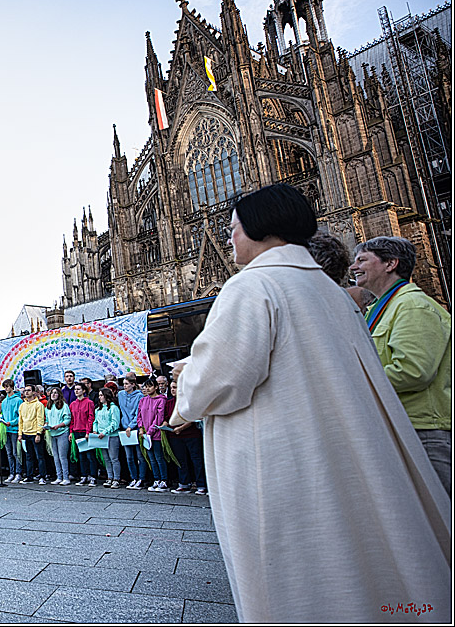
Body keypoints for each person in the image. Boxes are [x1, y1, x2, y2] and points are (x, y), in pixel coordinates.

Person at [171, 183, 451, 622]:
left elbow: (220, 382)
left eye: (233, 228)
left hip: (280, 459)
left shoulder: (253, 285)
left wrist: (186, 380)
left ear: (260, 228)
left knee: (297, 573)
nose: (229, 238)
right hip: (336, 450)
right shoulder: (331, 291)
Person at [351, 235, 452, 497]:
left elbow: (413, 372)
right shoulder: (384, 307)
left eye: (362, 260)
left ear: (390, 263)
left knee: (441, 509)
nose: (353, 267)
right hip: (401, 426)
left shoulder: (412, 306)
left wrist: (352, 381)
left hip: (423, 430)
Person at [165, 380, 205, 495]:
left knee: (196, 460)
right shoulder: (169, 402)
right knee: (180, 460)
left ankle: (201, 485)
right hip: (174, 435)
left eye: (175, 387)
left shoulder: (188, 401)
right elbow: (167, 417)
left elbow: (192, 418)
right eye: (171, 388)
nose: (173, 390)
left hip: (191, 434)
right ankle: (184, 483)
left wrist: (181, 428)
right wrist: (163, 425)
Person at [137, 378, 168, 492]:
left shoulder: (161, 400)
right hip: (145, 434)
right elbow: (139, 415)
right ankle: (156, 479)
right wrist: (141, 428)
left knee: (159, 457)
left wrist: (150, 431)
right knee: (151, 458)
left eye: (150, 386)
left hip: (156, 434)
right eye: (146, 386)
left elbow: (159, 417)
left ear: (156, 387)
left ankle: (164, 480)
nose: (147, 388)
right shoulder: (143, 400)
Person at [118, 374, 147, 490]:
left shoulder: (139, 396)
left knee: (140, 456)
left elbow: (138, 413)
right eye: (123, 384)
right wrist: (125, 426)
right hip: (125, 428)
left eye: (127, 384)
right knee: (129, 456)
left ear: (133, 385)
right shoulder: (121, 394)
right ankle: (133, 477)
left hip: (135, 428)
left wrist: (131, 426)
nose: (124, 386)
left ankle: (141, 478)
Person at [69, 382, 97, 486]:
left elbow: (91, 417)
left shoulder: (89, 402)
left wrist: (88, 431)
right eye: (75, 389)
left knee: (90, 455)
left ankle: (93, 476)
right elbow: (72, 419)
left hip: (85, 431)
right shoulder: (73, 404)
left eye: (78, 389)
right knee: (81, 456)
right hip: (77, 431)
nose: (76, 391)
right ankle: (84, 475)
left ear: (83, 391)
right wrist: (71, 432)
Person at [18, 387, 46, 484]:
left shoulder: (38, 404)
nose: (26, 392)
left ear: (34, 392)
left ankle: (42, 476)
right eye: (25, 390)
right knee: (28, 456)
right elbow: (20, 421)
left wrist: (39, 433)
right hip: (25, 433)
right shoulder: (22, 405)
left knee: (40, 456)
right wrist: (20, 434)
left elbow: (40, 419)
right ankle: (29, 476)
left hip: (35, 433)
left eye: (29, 390)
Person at [44, 387, 71, 485]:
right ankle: (59, 476)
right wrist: (46, 425)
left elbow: (67, 419)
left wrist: (59, 425)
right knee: (55, 456)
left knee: (62, 456)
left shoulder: (64, 405)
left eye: (55, 393)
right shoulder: (48, 406)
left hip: (62, 432)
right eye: (52, 393)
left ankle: (66, 477)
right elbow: (47, 419)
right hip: (52, 433)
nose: (53, 395)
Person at [95, 387, 121, 488]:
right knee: (106, 459)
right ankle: (110, 477)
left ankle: (116, 478)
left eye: (101, 395)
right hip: (101, 437)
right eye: (99, 395)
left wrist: (105, 432)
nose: (100, 397)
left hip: (112, 436)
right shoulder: (98, 409)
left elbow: (115, 423)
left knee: (114, 458)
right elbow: (95, 422)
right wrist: (95, 430)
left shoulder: (114, 408)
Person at [0, 379, 23, 483]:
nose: (6, 388)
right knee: (9, 453)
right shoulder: (4, 401)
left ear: (12, 387)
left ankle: (18, 473)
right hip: (6, 430)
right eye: (5, 387)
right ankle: (12, 473)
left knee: (16, 452)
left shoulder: (18, 400)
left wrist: (12, 422)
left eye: (8, 386)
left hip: (15, 430)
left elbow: (20, 416)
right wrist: (1, 419)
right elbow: (3, 414)